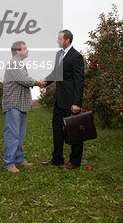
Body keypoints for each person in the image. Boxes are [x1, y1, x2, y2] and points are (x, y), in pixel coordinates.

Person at [41, 29, 84, 170]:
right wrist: (44, 82)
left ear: (67, 40)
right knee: (57, 129)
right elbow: (55, 73)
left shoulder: (76, 56)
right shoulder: (59, 54)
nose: (57, 41)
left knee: (74, 131)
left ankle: (75, 161)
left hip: (71, 100)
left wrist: (77, 103)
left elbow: (79, 81)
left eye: (59, 38)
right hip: (59, 99)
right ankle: (57, 158)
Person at [2, 41, 46, 173]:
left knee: (20, 134)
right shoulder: (14, 63)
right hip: (13, 103)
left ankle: (19, 159)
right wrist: (38, 82)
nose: (27, 50)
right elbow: (24, 80)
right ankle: (8, 164)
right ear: (17, 51)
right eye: (24, 48)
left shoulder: (19, 64)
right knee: (12, 134)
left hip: (19, 104)